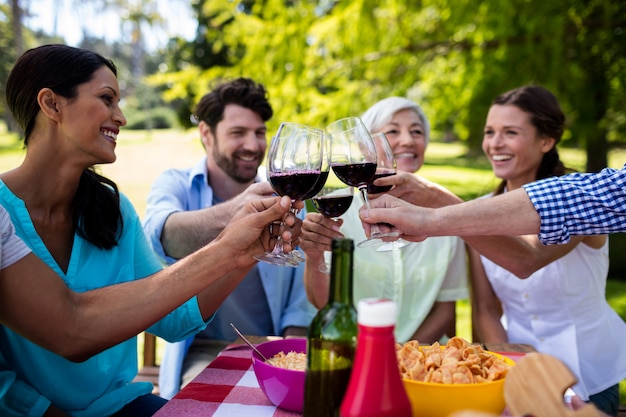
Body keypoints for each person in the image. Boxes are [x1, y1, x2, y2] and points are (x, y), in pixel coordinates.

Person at [0, 44, 303, 417]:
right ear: (52, 104)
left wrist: (245, 254)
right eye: (107, 99)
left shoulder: (113, 211)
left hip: (120, 407)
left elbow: (174, 320)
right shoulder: (3, 214)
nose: (121, 117)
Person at [142, 77, 315, 399]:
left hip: (273, 349)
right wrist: (239, 211)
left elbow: (299, 306)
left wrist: (291, 362)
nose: (253, 145)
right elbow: (161, 236)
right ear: (206, 134)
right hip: (203, 352)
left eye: (260, 133)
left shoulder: (289, 198)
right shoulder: (176, 184)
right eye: (238, 133)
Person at [466, 85, 625, 416]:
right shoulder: (477, 211)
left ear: (546, 141)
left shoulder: (580, 205)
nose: (495, 143)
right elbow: (484, 309)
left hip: (590, 374)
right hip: (516, 375)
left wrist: (439, 209)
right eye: (490, 132)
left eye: (510, 132)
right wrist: (512, 369)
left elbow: (528, 257)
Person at [300, 97, 468, 344]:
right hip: (354, 354)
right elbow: (324, 304)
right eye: (393, 130)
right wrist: (314, 256)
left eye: (416, 131)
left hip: (420, 359)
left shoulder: (447, 214)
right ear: (364, 145)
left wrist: (403, 355)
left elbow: (445, 310)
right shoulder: (338, 214)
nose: (408, 140)